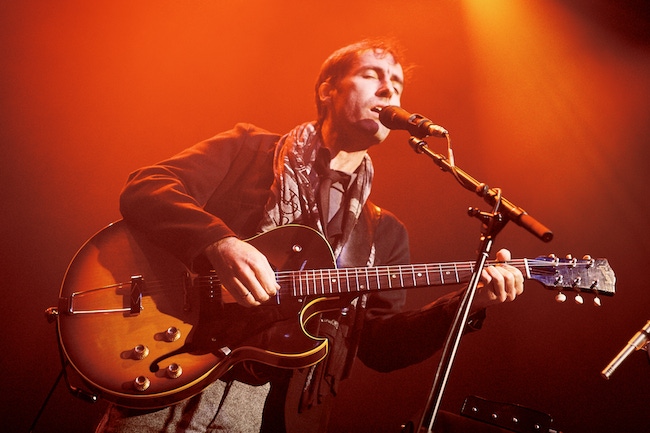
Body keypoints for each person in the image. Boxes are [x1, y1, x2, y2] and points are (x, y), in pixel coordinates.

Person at [95, 39, 524, 433]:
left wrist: (466, 302)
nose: (389, 90)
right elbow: (146, 187)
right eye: (372, 74)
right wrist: (218, 243)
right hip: (174, 366)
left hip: (279, 411)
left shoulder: (384, 232)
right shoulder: (250, 150)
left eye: (396, 83)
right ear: (327, 90)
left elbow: (380, 347)